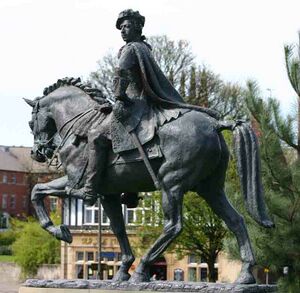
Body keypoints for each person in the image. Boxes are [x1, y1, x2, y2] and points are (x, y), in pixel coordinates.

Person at [67, 9, 219, 204]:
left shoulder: (130, 49)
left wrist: (119, 96)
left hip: (132, 104)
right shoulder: (144, 48)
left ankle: (89, 191)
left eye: (127, 26)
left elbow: (121, 75)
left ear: (137, 27)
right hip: (144, 102)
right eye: (121, 27)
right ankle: (129, 189)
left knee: (96, 135)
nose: (123, 30)